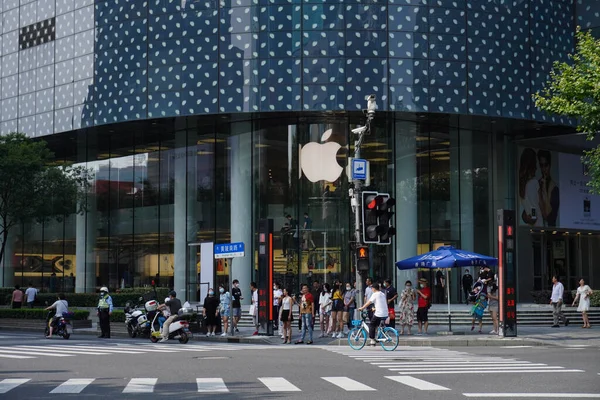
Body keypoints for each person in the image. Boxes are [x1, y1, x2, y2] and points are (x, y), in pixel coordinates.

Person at [519, 148, 541, 226]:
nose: (536, 167)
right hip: (538, 223)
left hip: (532, 225)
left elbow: (529, 206)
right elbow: (534, 206)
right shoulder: (534, 183)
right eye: (535, 163)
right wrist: (534, 217)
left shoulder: (521, 185)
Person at [537, 150, 559, 227]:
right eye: (541, 165)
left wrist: (544, 193)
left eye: (545, 165)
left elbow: (549, 217)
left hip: (551, 230)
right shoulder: (537, 184)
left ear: (549, 165)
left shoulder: (555, 188)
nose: (543, 169)